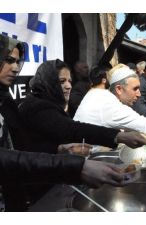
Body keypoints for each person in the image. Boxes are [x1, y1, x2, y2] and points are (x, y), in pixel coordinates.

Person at [0, 34, 126, 211]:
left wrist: (58, 149)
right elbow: (71, 130)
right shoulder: (36, 107)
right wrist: (118, 136)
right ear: (49, 82)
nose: (15, 68)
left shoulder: (6, 101)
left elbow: (22, 148)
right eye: (8, 60)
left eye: (17, 62)